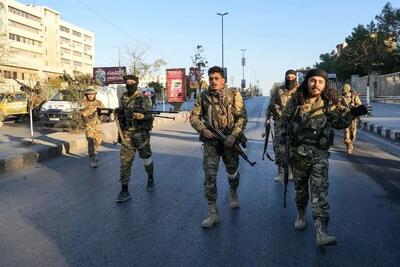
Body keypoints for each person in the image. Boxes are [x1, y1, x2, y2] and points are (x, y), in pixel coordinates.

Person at [284, 69, 369, 247]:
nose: (316, 85)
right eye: (313, 81)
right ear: (307, 82)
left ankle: (321, 232)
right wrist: (281, 152)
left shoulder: (330, 101)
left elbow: (338, 123)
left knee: (320, 192)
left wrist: (354, 113)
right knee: (301, 190)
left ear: (325, 85)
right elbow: (283, 126)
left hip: (319, 154)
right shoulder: (296, 101)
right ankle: (301, 213)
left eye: (320, 82)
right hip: (298, 154)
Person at [190, 66, 248, 228]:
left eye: (216, 78)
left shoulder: (234, 95)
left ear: (223, 80)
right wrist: (203, 129)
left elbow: (242, 117)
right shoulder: (203, 97)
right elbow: (194, 117)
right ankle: (213, 212)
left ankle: (233, 192)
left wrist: (234, 135)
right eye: (211, 79)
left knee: (232, 171)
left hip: (230, 141)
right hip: (211, 142)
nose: (213, 81)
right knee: (209, 175)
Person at [116, 75, 155, 203]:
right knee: (125, 162)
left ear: (137, 83)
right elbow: (121, 118)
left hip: (141, 134)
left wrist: (138, 116)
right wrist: (119, 133)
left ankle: (150, 178)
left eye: (132, 82)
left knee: (146, 159)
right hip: (127, 134)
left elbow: (150, 116)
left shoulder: (144, 97)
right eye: (127, 82)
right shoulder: (123, 98)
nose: (130, 84)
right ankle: (124, 189)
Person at [265, 69, 298, 182]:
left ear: (296, 78)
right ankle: (280, 172)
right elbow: (271, 105)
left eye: (292, 77)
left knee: (293, 148)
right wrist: (267, 119)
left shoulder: (301, 90)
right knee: (279, 149)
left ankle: (291, 171)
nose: (290, 79)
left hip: (296, 123)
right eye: (288, 77)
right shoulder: (279, 90)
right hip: (280, 123)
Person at [81, 88, 105, 168]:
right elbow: (83, 114)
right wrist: (93, 110)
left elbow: (104, 110)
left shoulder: (99, 102)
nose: (90, 96)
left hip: (97, 124)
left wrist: (104, 113)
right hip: (89, 125)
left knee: (99, 140)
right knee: (90, 141)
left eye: (92, 94)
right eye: (89, 94)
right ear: (86, 95)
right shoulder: (83, 103)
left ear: (95, 95)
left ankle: (94, 151)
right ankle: (92, 158)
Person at [340, 84, 362, 154]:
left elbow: (359, 104)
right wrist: (343, 108)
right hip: (345, 117)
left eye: (346, 88)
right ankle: (348, 146)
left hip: (353, 118)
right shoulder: (341, 97)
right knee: (347, 133)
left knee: (353, 134)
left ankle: (351, 143)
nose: (344, 89)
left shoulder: (354, 96)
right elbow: (338, 106)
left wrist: (354, 106)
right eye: (344, 88)